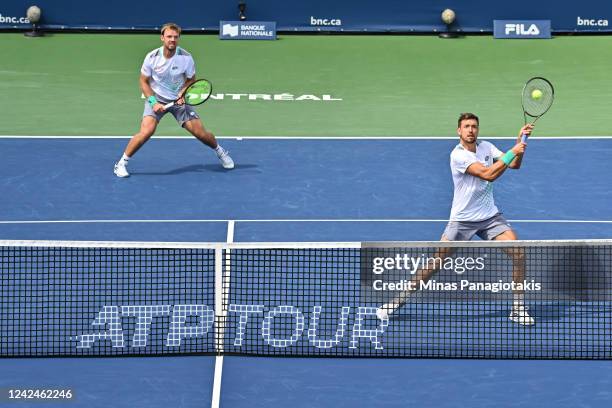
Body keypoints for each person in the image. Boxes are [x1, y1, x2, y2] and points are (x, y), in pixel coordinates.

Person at [377, 113, 535, 325]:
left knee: (519, 253)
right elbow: (488, 174)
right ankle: (396, 302)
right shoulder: (458, 155)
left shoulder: (487, 147)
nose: (471, 130)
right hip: (462, 220)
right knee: (436, 262)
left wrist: (519, 144)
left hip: (489, 217)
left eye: (474, 126)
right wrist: (512, 152)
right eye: (466, 126)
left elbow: (514, 165)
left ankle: (517, 308)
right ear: (459, 131)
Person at [114, 22, 234, 177]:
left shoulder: (186, 58)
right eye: (169, 36)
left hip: (178, 101)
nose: (172, 40)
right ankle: (121, 163)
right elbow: (143, 81)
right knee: (146, 131)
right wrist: (153, 102)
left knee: (201, 134)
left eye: (175, 37)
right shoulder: (152, 57)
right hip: (156, 98)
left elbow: (191, 80)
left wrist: (183, 94)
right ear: (162, 38)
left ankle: (220, 151)